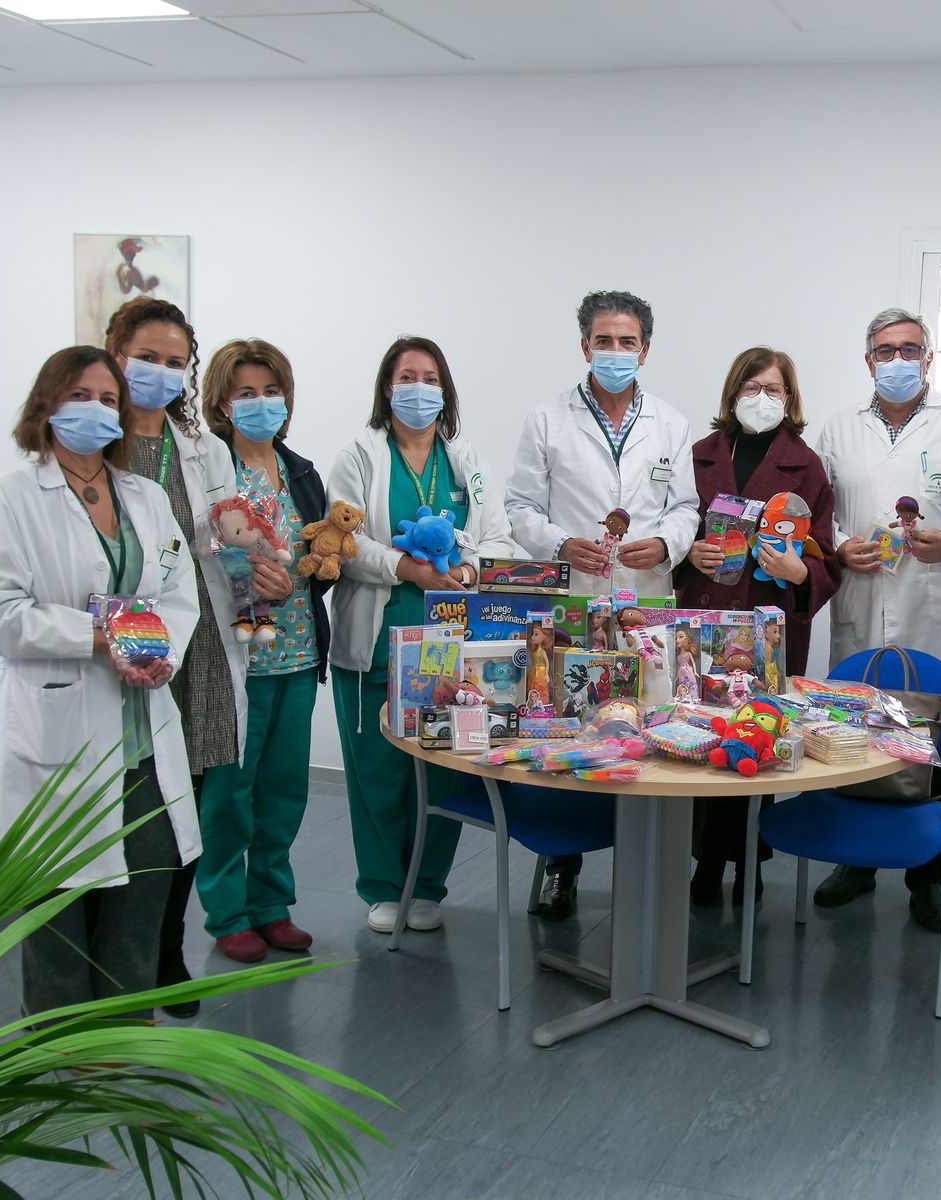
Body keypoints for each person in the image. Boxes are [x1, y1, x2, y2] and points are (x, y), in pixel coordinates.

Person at [0, 346, 200, 1019]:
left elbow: (180, 591)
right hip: (55, 722)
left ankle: (124, 1024)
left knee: (146, 876)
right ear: (46, 405)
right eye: (79, 395)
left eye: (108, 399)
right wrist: (101, 638)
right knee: (58, 892)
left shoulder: (144, 497)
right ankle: (63, 1034)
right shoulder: (7, 499)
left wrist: (158, 651)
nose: (96, 409)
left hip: (141, 719)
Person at [505, 290, 699, 918]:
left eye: (628, 341)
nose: (616, 352)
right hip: (572, 599)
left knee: (646, 721)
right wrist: (561, 544)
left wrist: (665, 544)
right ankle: (562, 865)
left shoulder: (670, 422)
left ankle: (650, 869)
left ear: (646, 348)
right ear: (584, 345)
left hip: (645, 601)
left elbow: (687, 509)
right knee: (572, 724)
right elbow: (519, 509)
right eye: (604, 340)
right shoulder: (546, 419)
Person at [327, 336, 519, 935]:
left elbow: (499, 540)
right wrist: (405, 568)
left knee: (444, 762)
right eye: (407, 376)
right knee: (378, 770)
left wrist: (466, 570)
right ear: (388, 388)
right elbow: (343, 540)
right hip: (377, 635)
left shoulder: (466, 460)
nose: (419, 388)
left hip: (451, 639)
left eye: (430, 377)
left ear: (445, 389)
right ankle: (384, 887)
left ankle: (428, 883)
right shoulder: (360, 455)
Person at [813, 307, 941, 930]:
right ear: (868, 360)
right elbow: (818, 512)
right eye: (886, 351)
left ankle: (927, 875)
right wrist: (837, 546)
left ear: (929, 358)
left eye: (910, 350)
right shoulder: (838, 429)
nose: (898, 361)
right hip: (863, 604)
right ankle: (854, 863)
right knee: (852, 735)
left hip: (935, 608)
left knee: (935, 743)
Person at [105, 297, 249, 1017]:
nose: (160, 373)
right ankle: (117, 960)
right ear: (115, 351)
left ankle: (167, 951)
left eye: (174, 362)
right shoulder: (94, 445)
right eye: (147, 358)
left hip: (199, 644)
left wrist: (262, 565)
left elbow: (227, 538)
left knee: (185, 803)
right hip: (123, 644)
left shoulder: (204, 448)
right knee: (128, 803)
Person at [678, 347, 841, 903]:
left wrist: (801, 572)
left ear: (791, 400)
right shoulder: (695, 455)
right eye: (752, 388)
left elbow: (827, 558)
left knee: (758, 736)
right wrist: (687, 554)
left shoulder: (808, 466)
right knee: (702, 738)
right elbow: (671, 529)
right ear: (732, 394)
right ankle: (705, 862)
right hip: (703, 620)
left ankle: (748, 858)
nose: (763, 399)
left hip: (769, 628)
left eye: (774, 390)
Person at [194, 339, 330, 962]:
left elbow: (320, 559)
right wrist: (251, 580)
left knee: (282, 789)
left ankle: (272, 903)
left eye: (270, 392)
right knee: (230, 791)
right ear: (222, 403)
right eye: (246, 393)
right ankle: (228, 913)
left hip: (296, 654)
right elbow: (195, 558)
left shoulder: (300, 470)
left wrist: (311, 570)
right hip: (237, 657)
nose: (260, 404)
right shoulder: (209, 470)